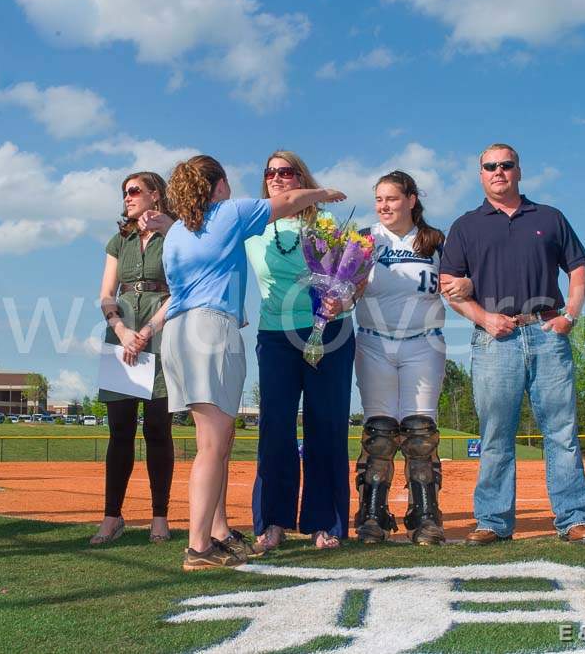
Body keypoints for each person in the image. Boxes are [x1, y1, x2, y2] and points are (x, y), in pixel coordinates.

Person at [160, 154, 345, 570]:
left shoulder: (174, 233)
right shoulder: (229, 212)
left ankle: (219, 531)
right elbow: (290, 201)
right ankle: (198, 547)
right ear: (220, 184)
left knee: (218, 443)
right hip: (210, 329)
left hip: (176, 332)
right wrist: (324, 192)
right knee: (212, 446)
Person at [439, 143, 585, 546]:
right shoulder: (465, 226)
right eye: (490, 166)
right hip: (495, 340)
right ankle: (492, 521)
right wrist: (484, 318)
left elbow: (578, 271)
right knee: (496, 435)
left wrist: (571, 316)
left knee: (562, 431)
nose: (498, 172)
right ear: (480, 174)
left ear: (519, 171)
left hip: (547, 334)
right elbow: (449, 288)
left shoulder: (549, 217)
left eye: (505, 165)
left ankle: (574, 519)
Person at [351, 171, 472, 545]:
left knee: (420, 434)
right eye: (379, 200)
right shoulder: (364, 239)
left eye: (392, 198)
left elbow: (459, 284)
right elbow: (345, 287)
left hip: (423, 343)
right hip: (374, 342)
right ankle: (373, 514)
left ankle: (425, 515)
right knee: (380, 432)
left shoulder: (436, 241)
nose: (384, 206)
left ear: (411, 199)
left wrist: (467, 284)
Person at [245, 150, 355, 551]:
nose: (276, 177)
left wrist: (343, 301)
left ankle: (324, 522)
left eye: (286, 171)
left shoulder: (326, 223)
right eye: (270, 171)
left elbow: (354, 277)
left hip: (329, 332)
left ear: (301, 177)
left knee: (326, 426)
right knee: (275, 428)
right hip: (276, 336)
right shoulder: (252, 225)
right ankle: (273, 520)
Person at [91, 172, 175, 546]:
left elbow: (183, 287)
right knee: (120, 431)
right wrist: (123, 331)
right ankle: (112, 517)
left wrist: (148, 331)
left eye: (135, 191)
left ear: (155, 195)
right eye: (125, 192)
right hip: (121, 333)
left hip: (161, 331)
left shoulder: (176, 236)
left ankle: (160, 517)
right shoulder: (119, 239)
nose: (127, 197)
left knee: (158, 429)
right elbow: (107, 292)